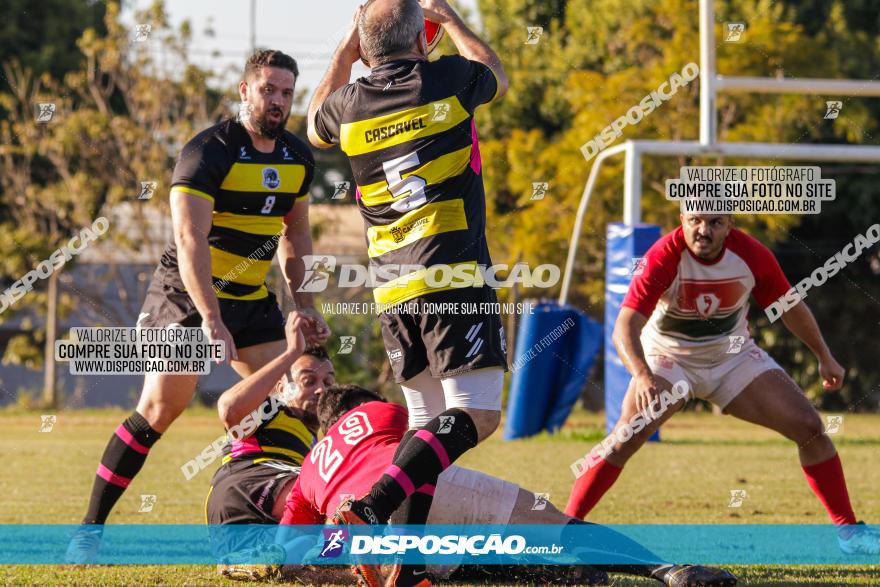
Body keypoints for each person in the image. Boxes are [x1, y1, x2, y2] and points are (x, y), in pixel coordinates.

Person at [66, 49, 330, 563]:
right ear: (244, 91)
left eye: (286, 93)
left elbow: (295, 230)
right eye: (267, 90)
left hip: (252, 298)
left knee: (298, 398)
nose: (277, 101)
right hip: (186, 295)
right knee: (162, 407)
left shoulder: (297, 156)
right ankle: (89, 531)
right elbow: (190, 239)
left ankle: (283, 521)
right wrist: (210, 319)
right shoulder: (208, 150)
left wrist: (305, 303)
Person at [306, 3, 509, 582]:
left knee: (428, 423)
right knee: (477, 414)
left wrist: (349, 46)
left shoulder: (348, 106)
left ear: (367, 49)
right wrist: (452, 21)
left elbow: (315, 117)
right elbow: (492, 68)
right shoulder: (448, 77)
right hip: (452, 272)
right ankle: (373, 506)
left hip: (392, 286)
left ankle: (411, 562)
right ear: (422, 39)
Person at [565, 213, 879, 555]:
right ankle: (564, 531)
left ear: (730, 224)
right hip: (669, 358)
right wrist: (642, 375)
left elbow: (790, 307)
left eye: (715, 222)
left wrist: (824, 355)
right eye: (695, 220)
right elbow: (624, 326)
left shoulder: (752, 254)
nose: (703, 230)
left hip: (732, 356)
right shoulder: (661, 256)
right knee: (627, 435)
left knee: (810, 427)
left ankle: (850, 535)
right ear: (682, 219)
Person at [275, 384, 738, 587]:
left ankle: (564, 574)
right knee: (560, 527)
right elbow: (424, 441)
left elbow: (291, 552)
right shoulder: (374, 411)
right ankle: (668, 570)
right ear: (362, 404)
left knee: (465, 560)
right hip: (407, 494)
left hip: (374, 538)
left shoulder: (307, 473)